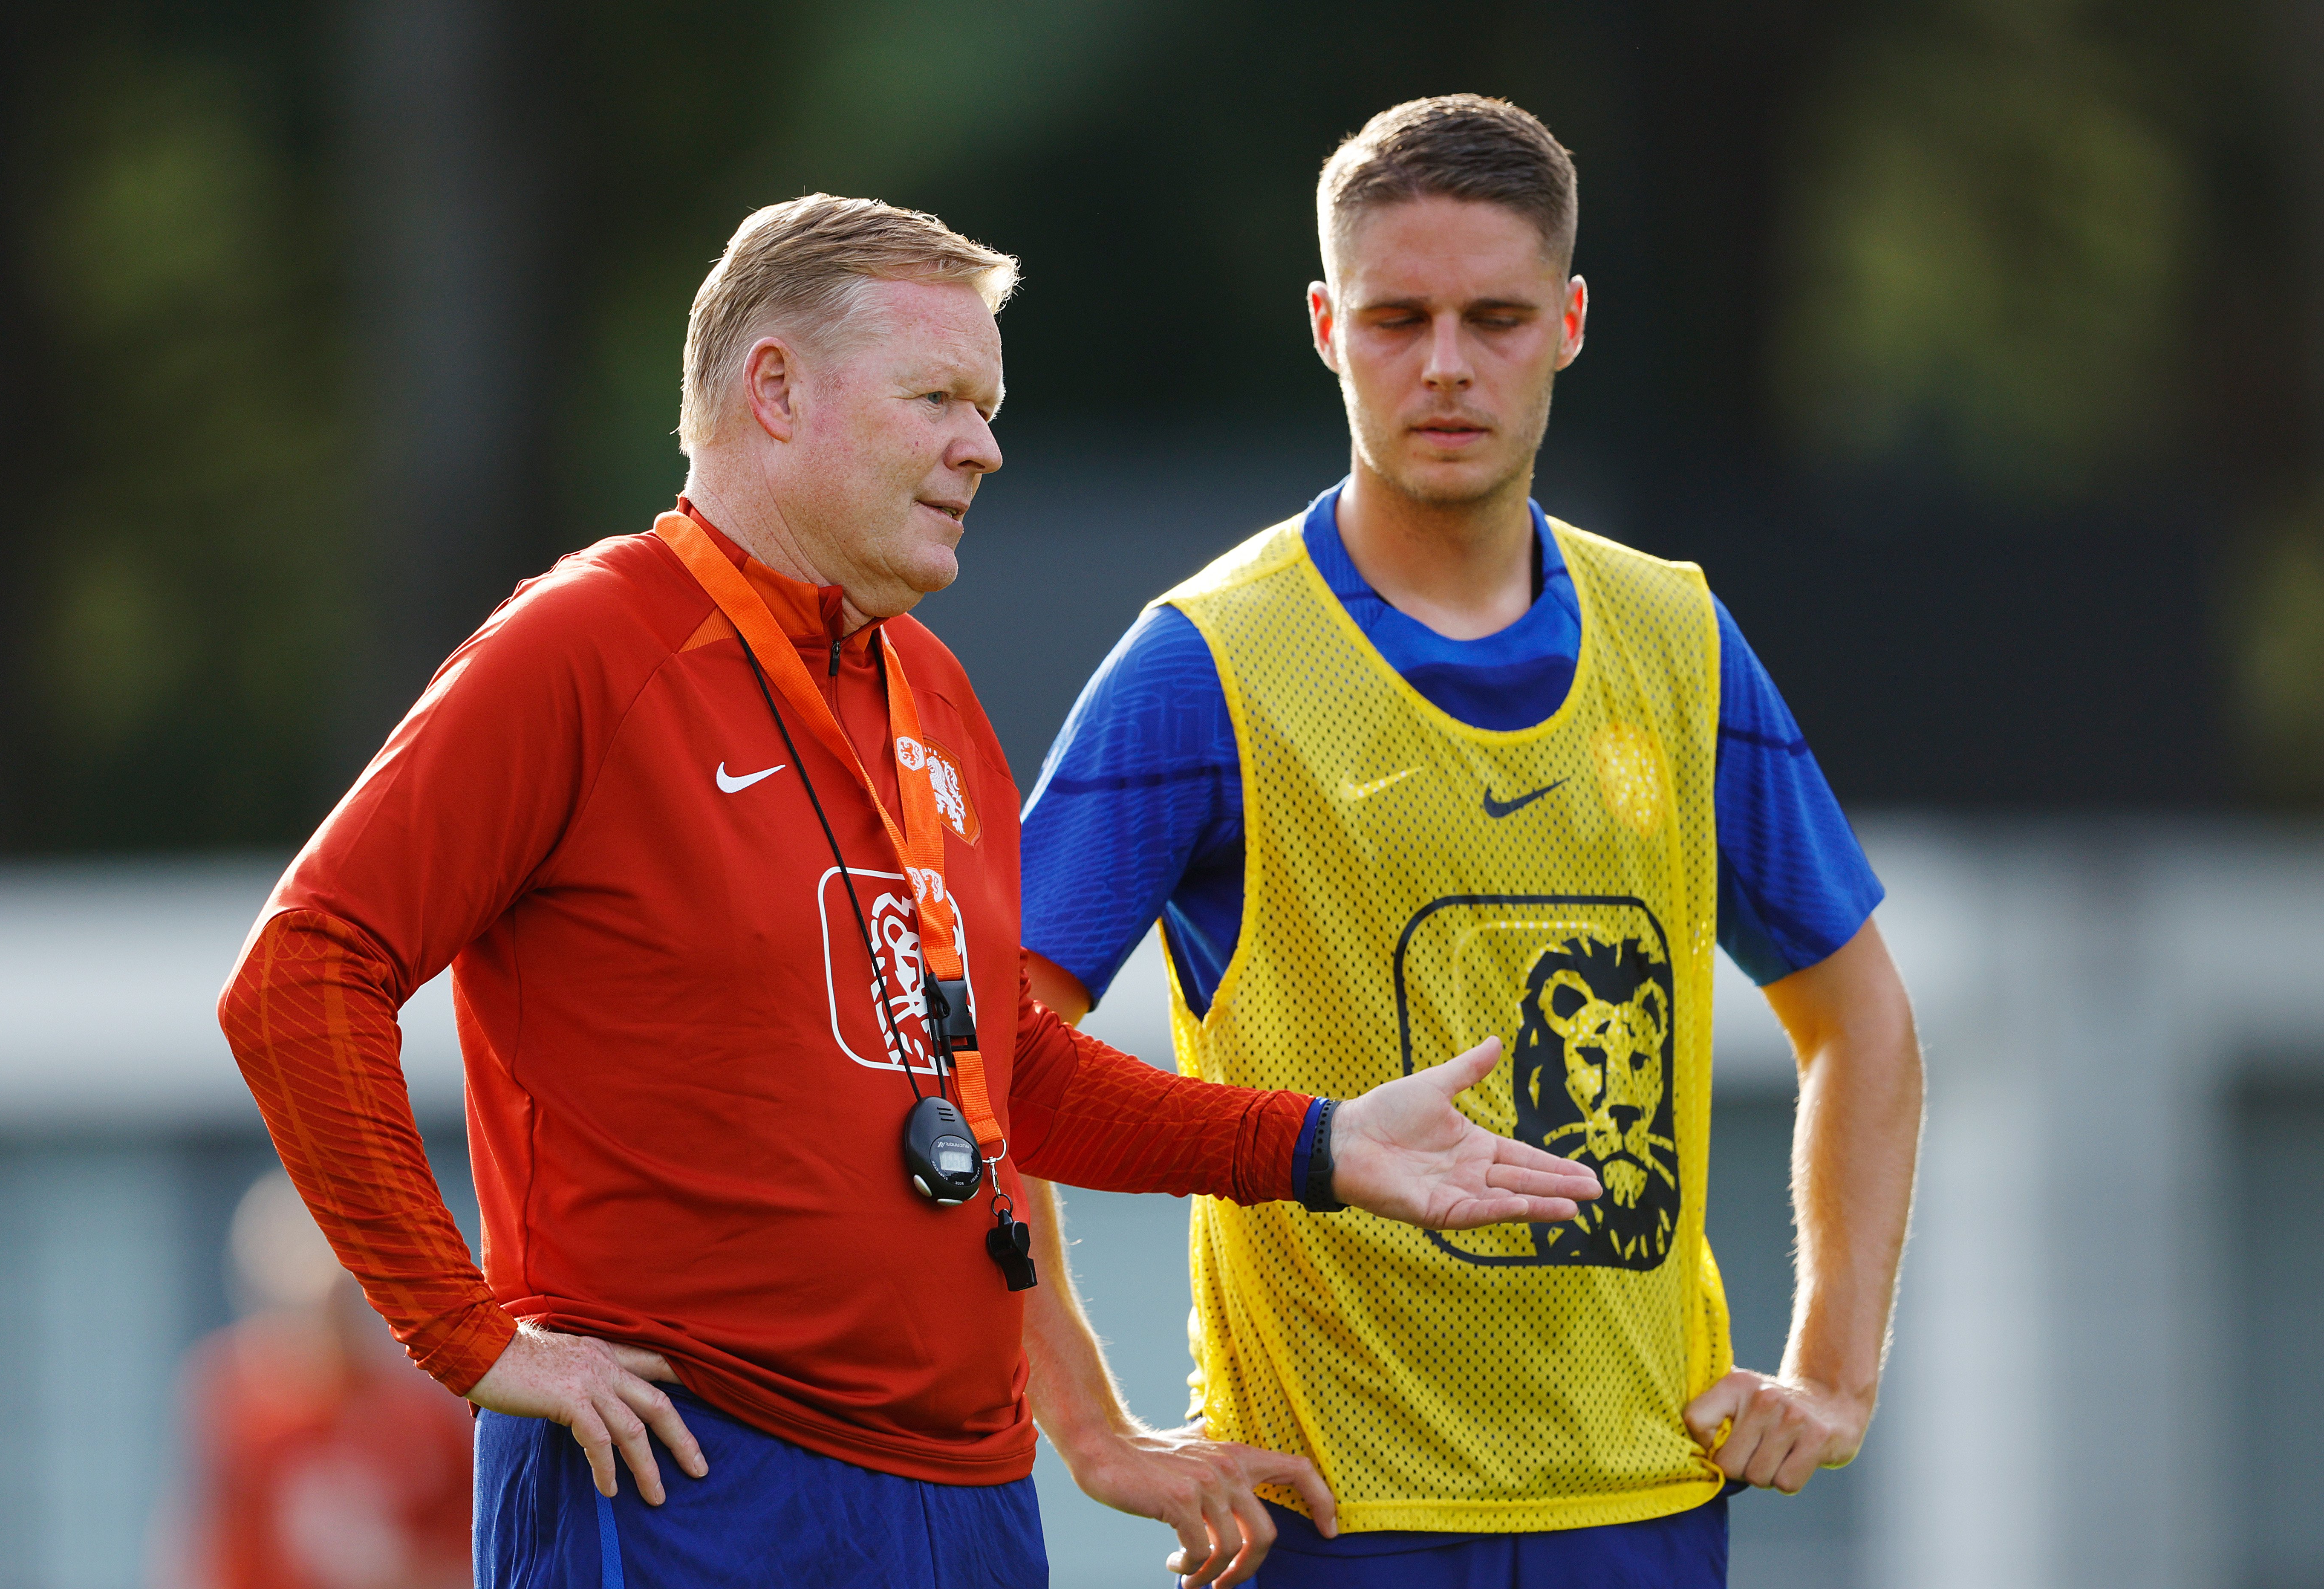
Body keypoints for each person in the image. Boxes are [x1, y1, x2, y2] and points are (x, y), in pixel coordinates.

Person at [215, 192, 1604, 1589]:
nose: (982, 446)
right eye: (937, 398)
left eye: (986, 408)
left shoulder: (929, 686)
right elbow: (300, 973)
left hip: (964, 1500)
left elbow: (1008, 1074)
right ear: (775, 391)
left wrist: (1319, 1144)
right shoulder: (585, 644)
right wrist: (465, 1336)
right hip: (689, 1477)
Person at [1017, 95, 1926, 1587]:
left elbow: (1861, 1016)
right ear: (1328, 327)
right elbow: (985, 1050)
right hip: (1334, 1522)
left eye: (1494, 318)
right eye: (1398, 319)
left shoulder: (1680, 638)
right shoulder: (1204, 663)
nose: (1445, 363)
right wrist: (1091, 1427)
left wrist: (1832, 1374)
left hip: (1643, 1506)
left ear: (1567, 324)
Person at [153, 1170, 475, 1589]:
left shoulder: (423, 1412)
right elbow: (205, 1555)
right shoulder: (237, 1406)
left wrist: (397, 1571)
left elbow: (478, 1558)